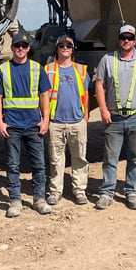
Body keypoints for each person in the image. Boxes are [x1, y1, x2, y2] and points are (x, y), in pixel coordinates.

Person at [94, 25, 136, 210]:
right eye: (123, 37)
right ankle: (106, 193)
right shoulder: (107, 59)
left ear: (135, 40)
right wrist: (104, 110)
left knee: (135, 157)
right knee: (110, 158)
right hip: (113, 118)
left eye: (130, 38)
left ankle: (131, 191)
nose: (126, 41)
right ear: (118, 39)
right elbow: (99, 84)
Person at [0, 32, 52, 218]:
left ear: (28, 49)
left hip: (34, 124)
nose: (20, 49)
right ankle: (15, 201)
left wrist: (45, 120)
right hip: (12, 126)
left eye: (24, 46)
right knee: (12, 165)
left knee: (39, 165)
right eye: (17, 45)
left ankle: (39, 200)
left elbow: (44, 95)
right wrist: (0, 121)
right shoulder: (4, 70)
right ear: (12, 47)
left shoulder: (37, 68)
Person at [45, 35, 90, 206]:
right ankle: (55, 191)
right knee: (56, 160)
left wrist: (85, 115)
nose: (65, 48)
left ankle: (79, 190)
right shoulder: (48, 69)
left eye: (68, 46)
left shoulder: (80, 70)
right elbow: (44, 96)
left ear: (73, 50)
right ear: (56, 49)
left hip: (77, 121)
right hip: (56, 122)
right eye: (61, 45)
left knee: (80, 157)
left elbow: (85, 94)